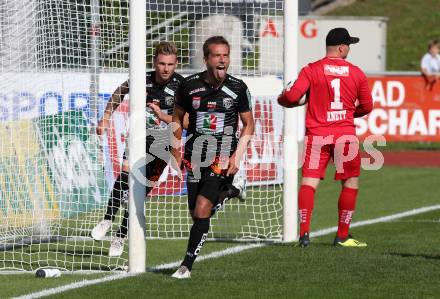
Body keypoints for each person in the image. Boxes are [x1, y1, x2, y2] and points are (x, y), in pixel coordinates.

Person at [278, 28, 373, 248]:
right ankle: (342, 236)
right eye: (348, 44)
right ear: (341, 48)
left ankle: (303, 235)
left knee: (309, 182)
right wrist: (350, 114)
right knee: (350, 182)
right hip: (345, 136)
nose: (348, 48)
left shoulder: (311, 70)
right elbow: (367, 106)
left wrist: (282, 100)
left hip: (317, 136)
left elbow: (292, 96)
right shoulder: (356, 72)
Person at [170, 36, 254, 279]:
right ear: (206, 59)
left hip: (224, 153)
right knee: (197, 213)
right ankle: (231, 191)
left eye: (225, 55)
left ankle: (185, 265)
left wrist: (236, 157)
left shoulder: (238, 87)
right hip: (195, 154)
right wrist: (176, 148)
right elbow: (177, 117)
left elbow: (249, 124)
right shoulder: (188, 86)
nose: (222, 60)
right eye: (217, 55)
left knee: (203, 208)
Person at [91, 41, 184, 256]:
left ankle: (120, 236)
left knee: (139, 193)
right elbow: (119, 92)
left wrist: (163, 117)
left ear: (176, 64)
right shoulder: (143, 79)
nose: (166, 69)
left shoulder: (182, 85)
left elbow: (186, 120)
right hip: (139, 138)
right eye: (161, 63)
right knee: (124, 175)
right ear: (155, 62)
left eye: (170, 64)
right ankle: (106, 219)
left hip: (163, 144)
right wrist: (105, 118)